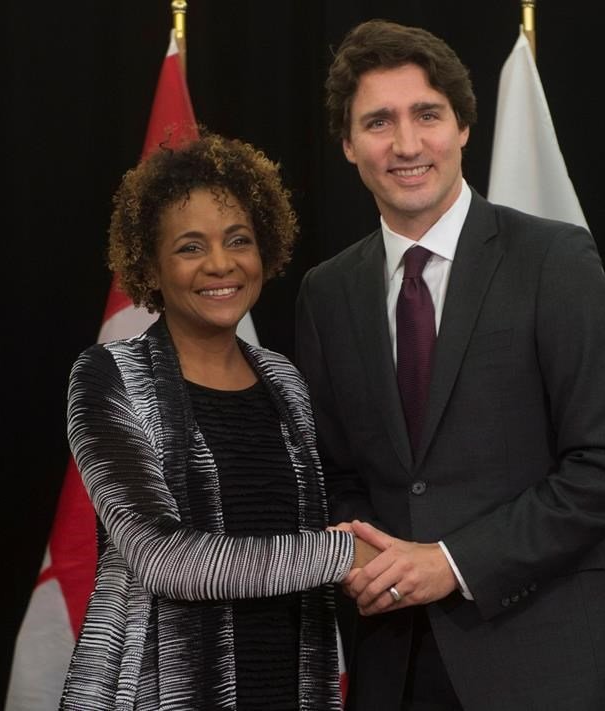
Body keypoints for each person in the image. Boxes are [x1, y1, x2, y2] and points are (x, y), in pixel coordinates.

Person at [295, 19, 605, 710]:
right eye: (378, 121)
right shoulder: (326, 292)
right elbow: (336, 471)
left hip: (552, 667)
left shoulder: (555, 261)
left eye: (426, 114)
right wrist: (363, 551)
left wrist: (452, 563)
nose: (405, 144)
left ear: (463, 126)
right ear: (347, 144)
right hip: (396, 667)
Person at [59, 133, 376, 710]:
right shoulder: (109, 376)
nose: (221, 264)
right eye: (189, 247)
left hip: (289, 686)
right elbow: (163, 559)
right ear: (150, 266)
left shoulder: (286, 382)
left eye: (239, 240)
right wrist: (341, 555)